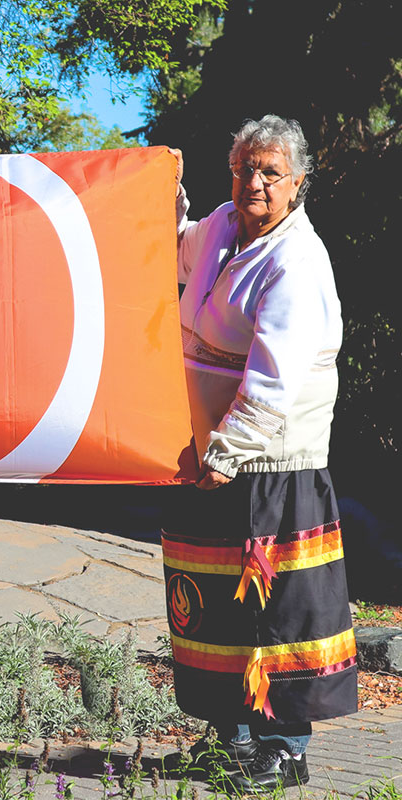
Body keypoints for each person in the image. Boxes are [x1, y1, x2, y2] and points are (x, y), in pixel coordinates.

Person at [163, 115, 356, 792]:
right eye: (245, 167)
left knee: (272, 614)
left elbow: (274, 382)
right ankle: (232, 743)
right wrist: (161, 198)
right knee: (218, 609)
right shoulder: (220, 225)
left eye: (271, 172)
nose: (255, 182)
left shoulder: (296, 264)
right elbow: (178, 251)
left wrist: (228, 452)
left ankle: (283, 749)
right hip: (204, 454)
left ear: (298, 182)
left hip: (269, 464)